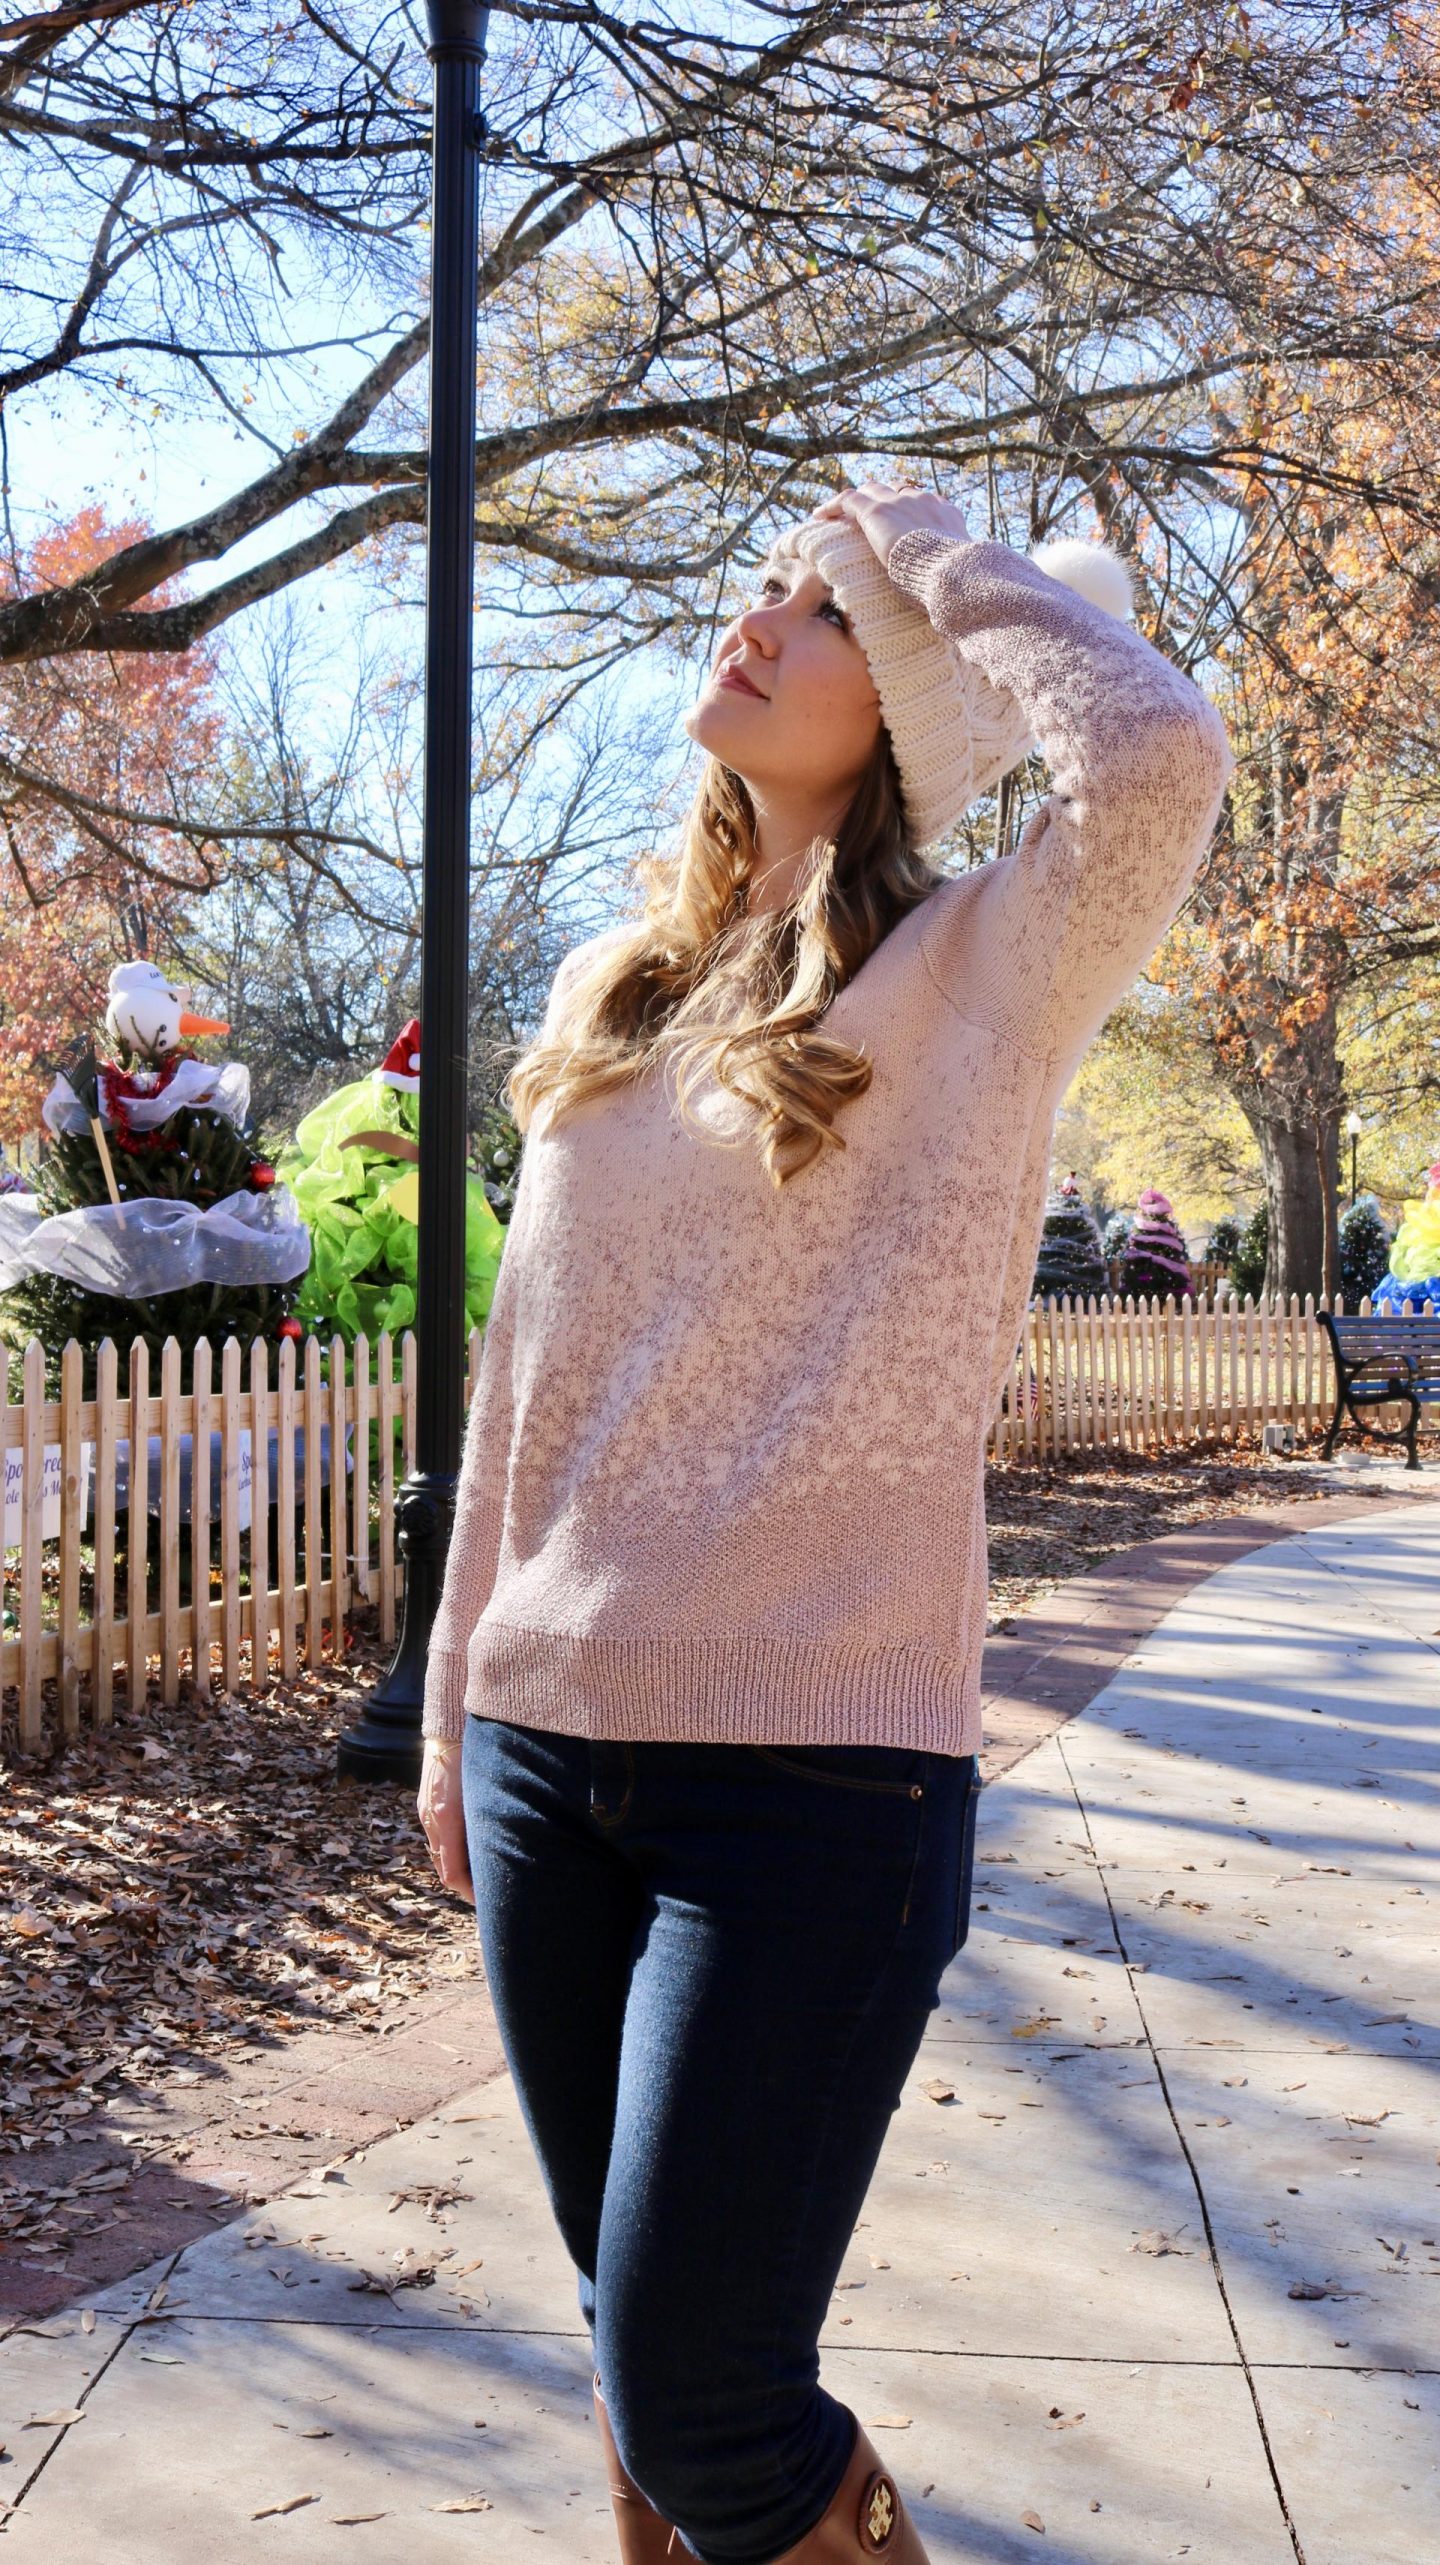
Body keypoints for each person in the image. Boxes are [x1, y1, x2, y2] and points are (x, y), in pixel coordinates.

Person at [417, 482, 1234, 2561]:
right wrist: (451, 1712)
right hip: (543, 1754)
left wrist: (942, 551)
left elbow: (1158, 757)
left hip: (812, 1785)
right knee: (636, 2359)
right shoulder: (621, 992)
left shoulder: (990, 966)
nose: (761, 622)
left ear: (925, 711)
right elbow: (525, 1387)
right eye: (767, 591)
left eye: (822, 614)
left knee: (708, 2397)